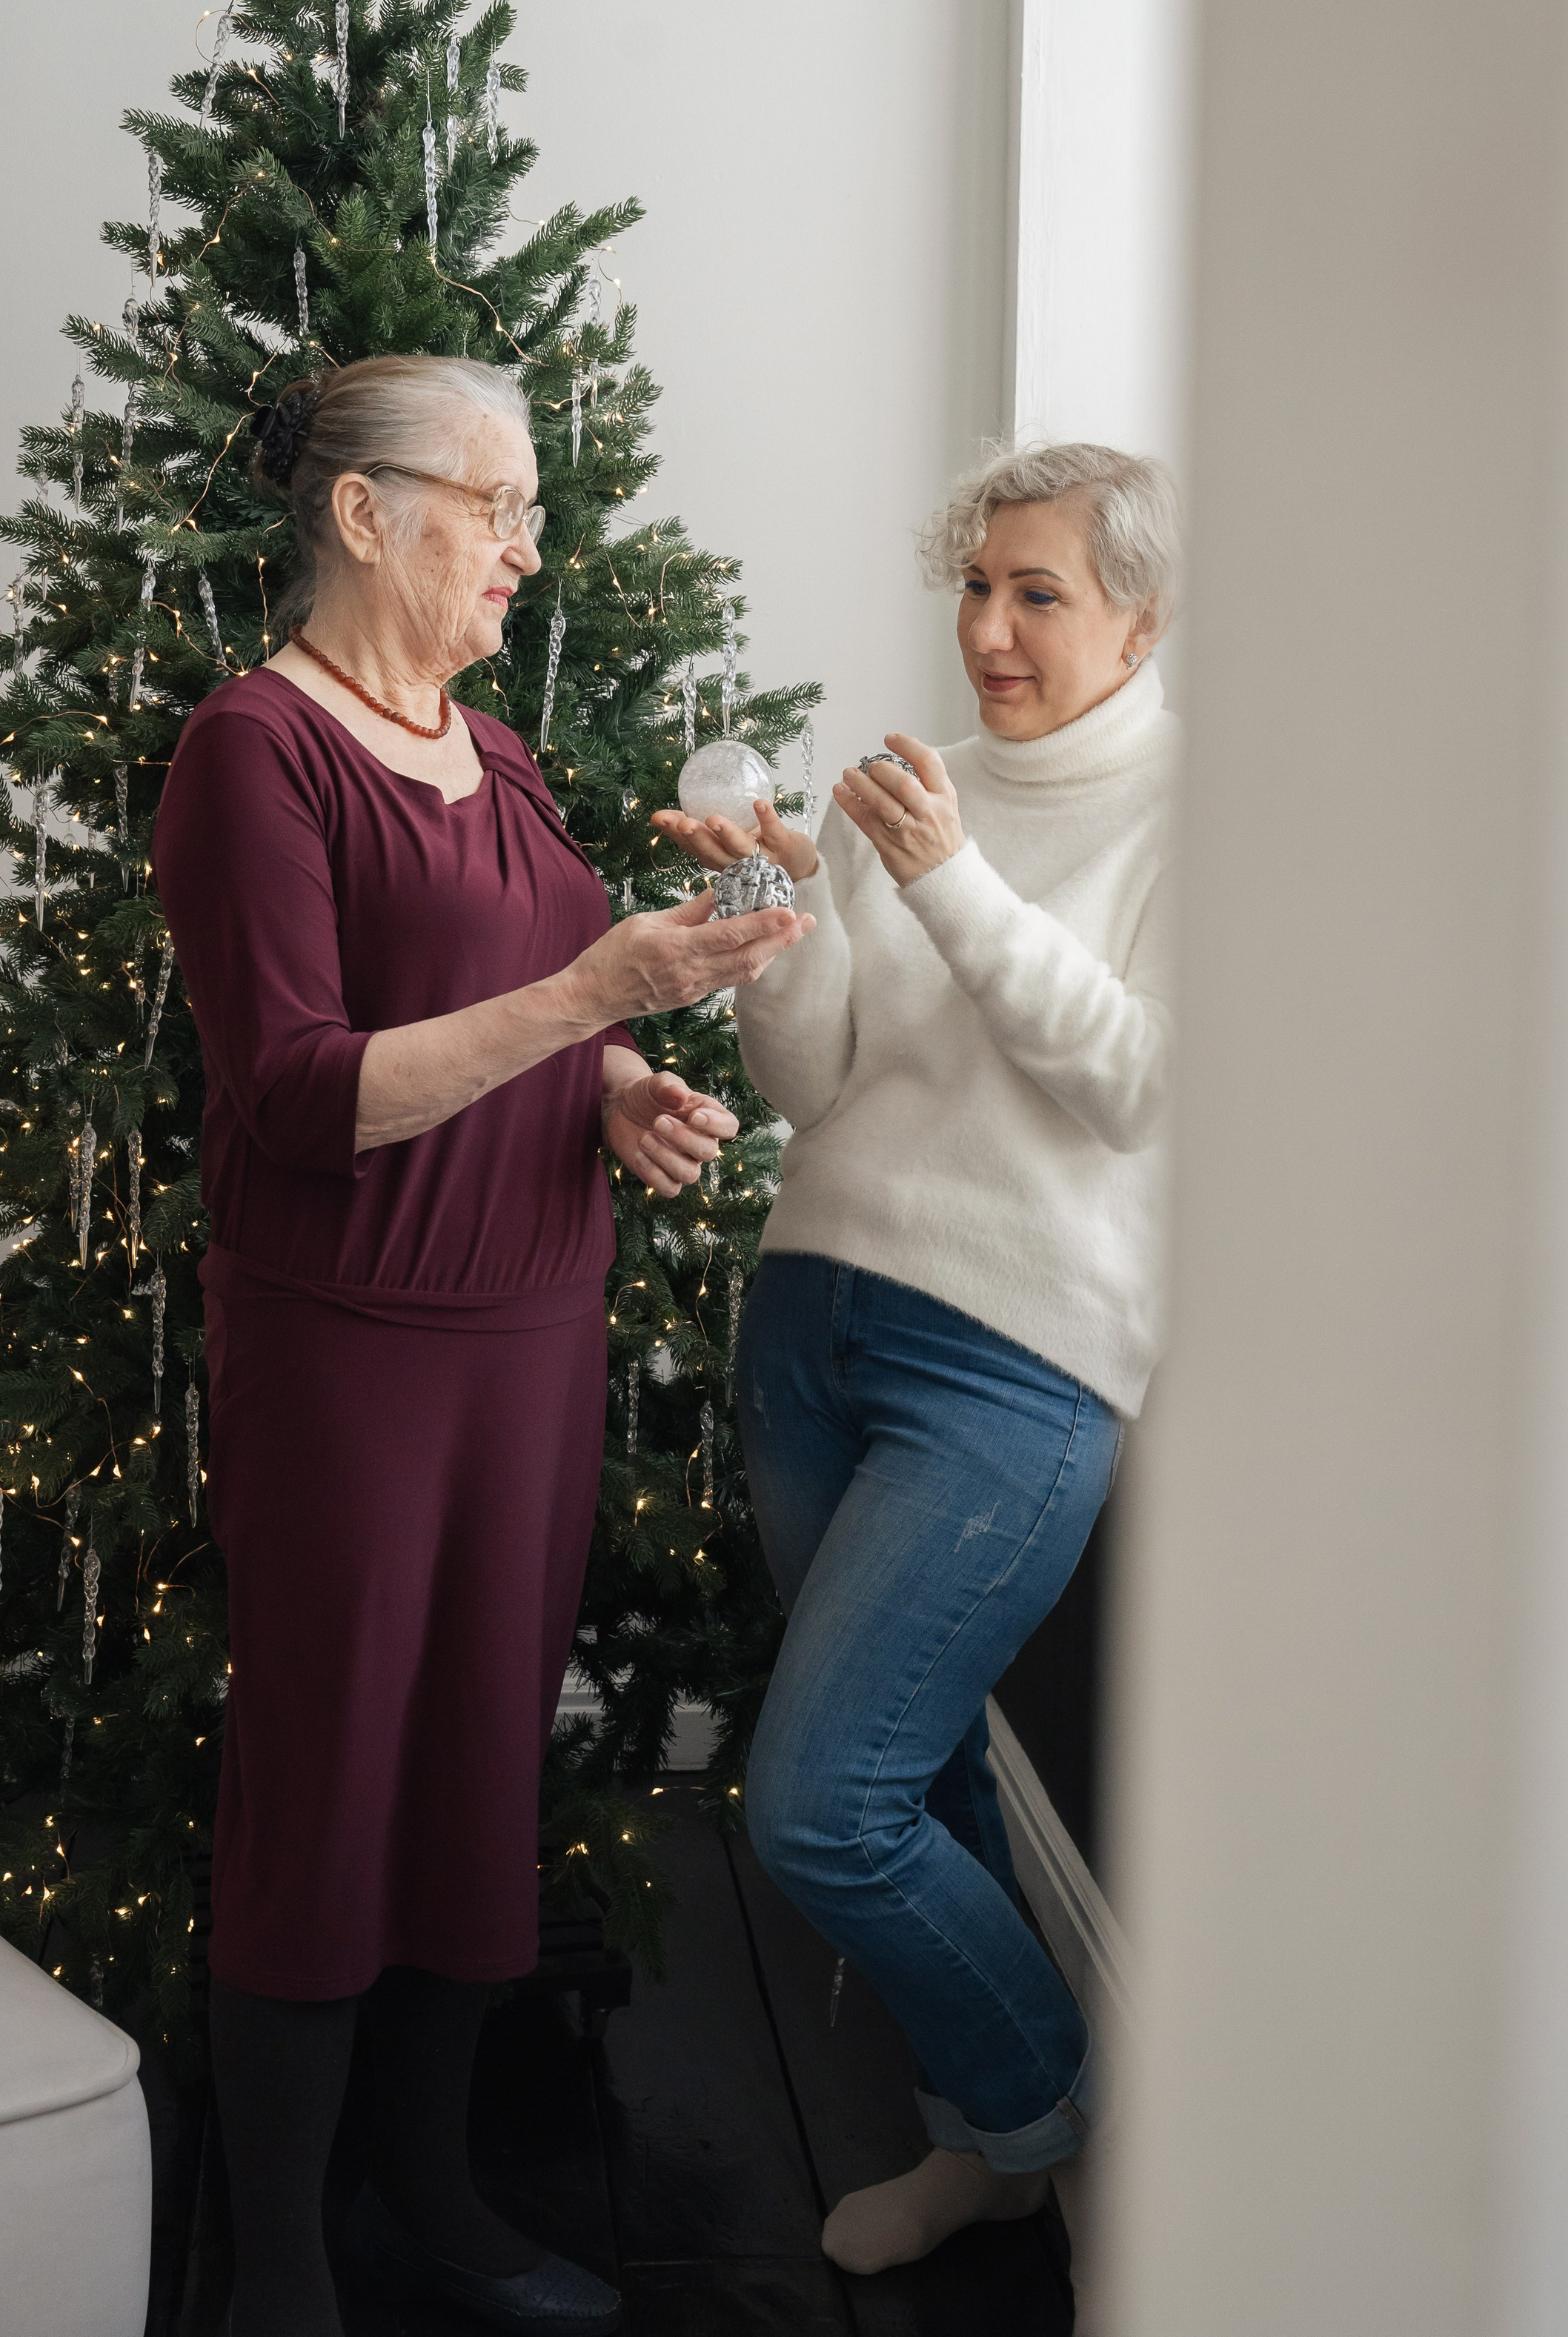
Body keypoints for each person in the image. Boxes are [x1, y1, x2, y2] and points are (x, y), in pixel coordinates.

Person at [152, 354, 808, 2337]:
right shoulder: (253, 754)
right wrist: (591, 993)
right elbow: (297, 1095)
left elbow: (525, 1008)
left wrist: (613, 1075)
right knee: (328, 1773)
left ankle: (430, 2190)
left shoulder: (497, 752)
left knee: (471, 1773)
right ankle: (275, 2258)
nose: (533, 543)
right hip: (354, 1350)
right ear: (364, 515)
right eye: (495, 503)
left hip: (530, 1325)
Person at [654, 439, 1180, 2310]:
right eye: (973, 586)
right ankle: (994, 2146)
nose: (988, 630)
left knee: (814, 1800)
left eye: (1036, 592)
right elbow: (819, 1084)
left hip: (1015, 1367)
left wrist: (946, 878)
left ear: (1140, 611)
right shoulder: (921, 792)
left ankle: (1060, 2107)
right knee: (914, 1773)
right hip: (813, 1319)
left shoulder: (1198, 808)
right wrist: (787, 926)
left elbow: (1132, 1081)